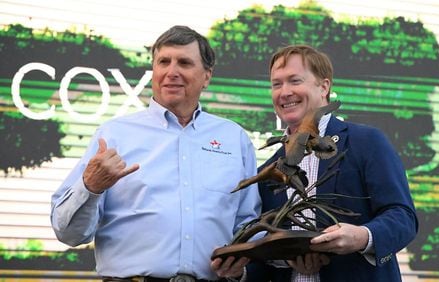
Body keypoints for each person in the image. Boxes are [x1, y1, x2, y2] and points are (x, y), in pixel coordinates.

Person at [50, 25, 261, 281]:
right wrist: (90, 186)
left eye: (184, 63)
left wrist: (241, 269)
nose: (172, 72)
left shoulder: (234, 138)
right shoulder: (114, 135)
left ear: (206, 76)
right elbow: (68, 234)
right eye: (164, 62)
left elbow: (248, 224)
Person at [245, 45, 418, 281]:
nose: (284, 92)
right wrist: (246, 271)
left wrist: (362, 237)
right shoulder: (271, 170)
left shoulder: (366, 142)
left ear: (324, 87)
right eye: (277, 84)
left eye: (295, 81)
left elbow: (403, 217)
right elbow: (266, 254)